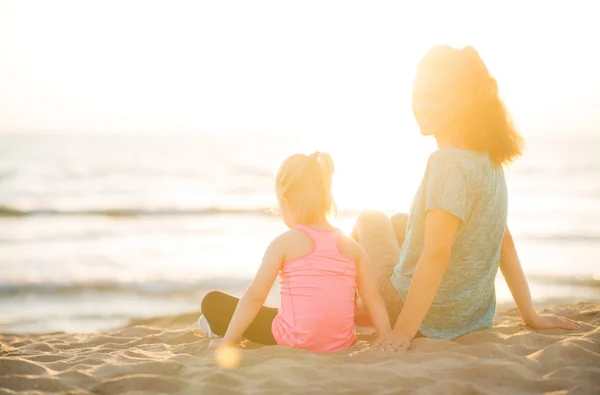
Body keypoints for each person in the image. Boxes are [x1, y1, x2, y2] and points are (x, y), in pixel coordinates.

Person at [353, 45, 582, 351]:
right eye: (417, 96)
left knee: (371, 219)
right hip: (471, 319)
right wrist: (531, 315)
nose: (421, 106)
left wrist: (404, 332)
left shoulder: (446, 163)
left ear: (461, 102)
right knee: (399, 223)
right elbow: (504, 242)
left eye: (432, 97)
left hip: (413, 313)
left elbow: (437, 254)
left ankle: (347, 301)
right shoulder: (490, 161)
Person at [202, 152, 397, 353]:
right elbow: (373, 297)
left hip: (293, 340)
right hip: (342, 343)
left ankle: (217, 329)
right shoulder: (353, 248)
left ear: (286, 202)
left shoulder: (284, 243)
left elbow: (254, 296)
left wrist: (228, 341)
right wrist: (385, 334)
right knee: (286, 313)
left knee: (212, 302)